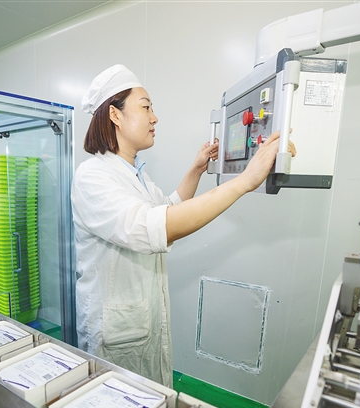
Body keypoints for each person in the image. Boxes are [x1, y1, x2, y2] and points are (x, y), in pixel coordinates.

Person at [71, 65, 295, 387]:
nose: (155, 118)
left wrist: (196, 170)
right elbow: (153, 226)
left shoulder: (136, 175)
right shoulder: (92, 176)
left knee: (149, 402)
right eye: (146, 107)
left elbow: (168, 209)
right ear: (115, 115)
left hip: (140, 322)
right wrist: (245, 181)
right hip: (115, 330)